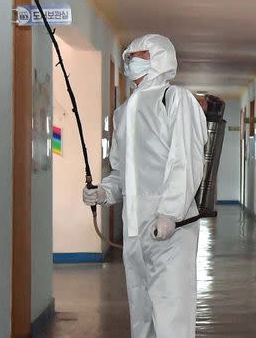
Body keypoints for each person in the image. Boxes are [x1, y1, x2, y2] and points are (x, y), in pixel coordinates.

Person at [82, 34, 208, 338]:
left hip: (172, 230)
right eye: (127, 56)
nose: (129, 60)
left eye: (138, 55)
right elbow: (121, 170)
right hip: (135, 231)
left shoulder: (176, 99)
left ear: (159, 57)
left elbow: (186, 159)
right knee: (142, 317)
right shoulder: (124, 113)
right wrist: (104, 192)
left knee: (172, 314)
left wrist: (170, 212)